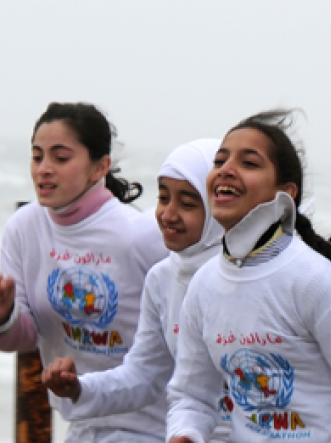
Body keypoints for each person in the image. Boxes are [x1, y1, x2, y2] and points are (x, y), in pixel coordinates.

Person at [166, 110, 331, 443]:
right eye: (220, 161)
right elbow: (191, 397)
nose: (226, 170)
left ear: (286, 192)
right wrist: (185, 434)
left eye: (249, 163)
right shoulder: (203, 284)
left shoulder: (312, 279)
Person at [0, 102, 169, 443]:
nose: (44, 169)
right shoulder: (25, 228)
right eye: (37, 157)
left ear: (100, 167)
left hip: (153, 425)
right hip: (83, 422)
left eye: (60, 158)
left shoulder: (138, 234)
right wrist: (0, 313)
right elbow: (23, 336)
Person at [41, 138, 233, 442]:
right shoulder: (163, 278)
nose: (168, 215)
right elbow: (144, 375)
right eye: (163, 198)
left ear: (219, 207)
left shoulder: (257, 280)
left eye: (187, 203)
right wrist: (79, 387)